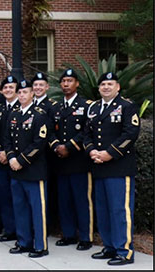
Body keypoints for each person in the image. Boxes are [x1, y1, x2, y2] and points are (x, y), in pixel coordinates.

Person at [84, 72, 140, 265]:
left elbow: (130, 133)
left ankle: (124, 251)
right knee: (103, 209)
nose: (106, 87)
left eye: (110, 84)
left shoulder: (127, 106)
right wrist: (92, 152)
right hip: (98, 167)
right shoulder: (94, 108)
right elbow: (87, 135)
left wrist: (109, 153)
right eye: (103, 85)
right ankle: (109, 247)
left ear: (118, 87)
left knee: (119, 211)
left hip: (118, 167)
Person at [5, 78, 51, 258]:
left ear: (33, 94)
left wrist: (20, 160)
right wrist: (10, 158)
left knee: (38, 210)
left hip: (33, 171)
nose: (22, 95)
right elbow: (7, 139)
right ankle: (23, 242)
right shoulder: (14, 115)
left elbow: (39, 143)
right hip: (15, 170)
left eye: (25, 92)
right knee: (20, 208)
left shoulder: (40, 115)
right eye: (20, 92)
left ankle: (40, 245)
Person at [51, 68, 94, 251]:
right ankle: (68, 234)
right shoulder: (56, 107)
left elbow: (87, 131)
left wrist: (69, 147)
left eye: (70, 81)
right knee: (64, 200)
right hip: (60, 162)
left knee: (81, 200)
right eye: (63, 81)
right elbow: (50, 130)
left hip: (78, 161)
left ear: (77, 83)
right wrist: (56, 146)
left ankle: (85, 237)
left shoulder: (86, 106)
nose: (66, 84)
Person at [0, 75, 20, 243]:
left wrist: (10, 155)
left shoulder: (22, 108)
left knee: (18, 197)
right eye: (6, 88)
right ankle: (9, 230)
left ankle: (20, 230)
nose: (8, 90)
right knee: (3, 196)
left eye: (11, 88)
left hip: (16, 161)